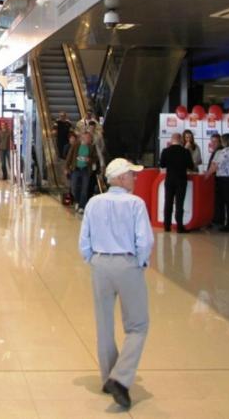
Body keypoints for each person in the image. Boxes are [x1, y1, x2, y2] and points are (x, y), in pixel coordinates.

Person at [79, 158, 154, 410]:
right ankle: (120, 379)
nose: (135, 178)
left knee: (104, 323)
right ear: (121, 178)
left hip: (100, 264)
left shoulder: (93, 202)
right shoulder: (135, 204)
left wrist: (93, 259)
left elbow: (84, 240)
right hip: (127, 263)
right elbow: (144, 241)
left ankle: (107, 377)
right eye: (132, 174)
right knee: (138, 325)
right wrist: (140, 262)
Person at [159, 133, 195, 233]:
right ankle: (179, 226)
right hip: (181, 180)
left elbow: (162, 165)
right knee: (179, 203)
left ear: (171, 139)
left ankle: (167, 226)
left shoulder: (165, 151)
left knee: (168, 202)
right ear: (180, 140)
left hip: (169, 180)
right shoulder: (185, 151)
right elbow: (191, 166)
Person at [66, 131, 99, 213]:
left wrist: (89, 160)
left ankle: (82, 206)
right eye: (86, 137)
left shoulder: (92, 147)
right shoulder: (76, 145)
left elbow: (95, 158)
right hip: (76, 169)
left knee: (84, 188)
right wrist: (66, 167)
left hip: (85, 170)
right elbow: (69, 156)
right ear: (82, 138)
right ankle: (77, 201)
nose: (88, 139)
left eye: (89, 138)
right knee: (74, 187)